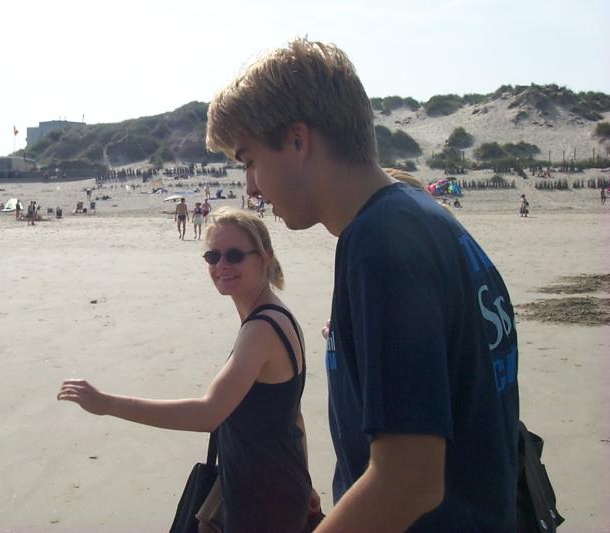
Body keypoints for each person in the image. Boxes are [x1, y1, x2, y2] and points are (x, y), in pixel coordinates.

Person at [206, 37, 519, 531]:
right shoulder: (426, 219)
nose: (251, 187)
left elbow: (408, 482)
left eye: (249, 160)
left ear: (298, 140)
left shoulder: (380, 243)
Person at [58, 207, 319, 532]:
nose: (222, 265)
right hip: (269, 485)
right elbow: (293, 415)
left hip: (264, 499)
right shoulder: (276, 315)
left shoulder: (262, 328)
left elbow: (208, 415)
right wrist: (304, 479)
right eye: (213, 256)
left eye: (234, 255)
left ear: (264, 257)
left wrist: (107, 404)